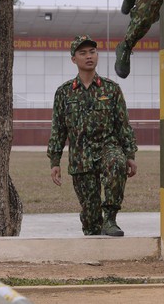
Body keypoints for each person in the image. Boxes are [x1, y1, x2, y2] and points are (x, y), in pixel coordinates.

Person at [48, 35, 138, 236]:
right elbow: (58, 129)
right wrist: (55, 160)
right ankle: (96, 229)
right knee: (90, 222)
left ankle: (111, 219)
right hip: (80, 156)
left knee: (116, 162)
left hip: (108, 146)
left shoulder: (111, 89)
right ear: (74, 59)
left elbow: (123, 124)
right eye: (83, 53)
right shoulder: (64, 93)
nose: (89, 56)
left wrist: (130, 155)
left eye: (92, 52)